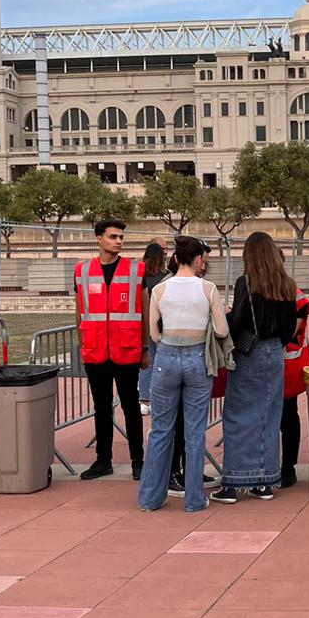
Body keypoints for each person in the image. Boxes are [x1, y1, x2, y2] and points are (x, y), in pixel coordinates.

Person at [141, 236, 228, 512]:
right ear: (198, 259)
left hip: (166, 356)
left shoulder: (160, 289)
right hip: (197, 358)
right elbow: (222, 330)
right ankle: (194, 498)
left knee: (161, 431)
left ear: (176, 258)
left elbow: (154, 333)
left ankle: (150, 498)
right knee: (194, 431)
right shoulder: (208, 289)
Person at [212, 232, 299, 503]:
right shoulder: (286, 284)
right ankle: (264, 481)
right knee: (268, 416)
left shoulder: (246, 283)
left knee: (238, 416)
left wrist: (228, 317)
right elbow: (289, 328)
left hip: (250, 352)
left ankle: (233, 482)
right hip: (275, 353)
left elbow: (238, 323)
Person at [75, 218, 148, 481]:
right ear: (98, 238)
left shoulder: (136, 269)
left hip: (126, 349)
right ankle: (102, 460)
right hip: (96, 351)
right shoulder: (82, 270)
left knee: (130, 406)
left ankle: (137, 459)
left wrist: (145, 347)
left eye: (121, 237)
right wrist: (82, 342)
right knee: (101, 407)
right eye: (113, 236)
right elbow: (79, 309)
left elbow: (144, 309)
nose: (118, 241)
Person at [279, 282, 309, 488]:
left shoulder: (289, 291)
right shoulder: (290, 291)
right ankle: (285, 467)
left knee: (287, 415)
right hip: (284, 361)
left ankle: (288, 466)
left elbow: (293, 329)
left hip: (286, 362)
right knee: (287, 415)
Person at [138, 242, 169, 416]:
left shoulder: (140, 276)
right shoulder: (167, 277)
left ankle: (144, 400)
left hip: (144, 323)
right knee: (163, 360)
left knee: (147, 361)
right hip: (163, 324)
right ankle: (161, 396)